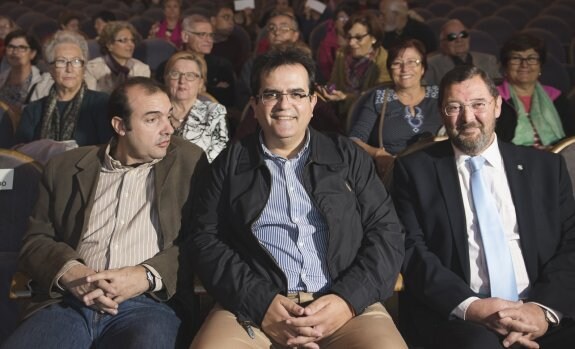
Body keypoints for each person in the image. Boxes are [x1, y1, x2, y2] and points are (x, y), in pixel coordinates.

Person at [187, 46, 407, 349]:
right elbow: (204, 239)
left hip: (346, 306)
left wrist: (347, 300)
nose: (283, 104)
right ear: (254, 104)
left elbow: (387, 233)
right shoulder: (229, 164)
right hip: (252, 309)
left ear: (313, 102)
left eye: (296, 94)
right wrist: (260, 302)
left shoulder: (348, 157)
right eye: (271, 94)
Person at [1, 77, 208, 349]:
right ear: (120, 126)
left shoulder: (188, 161)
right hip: (70, 302)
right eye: (152, 119)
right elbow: (36, 240)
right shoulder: (65, 167)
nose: (168, 129)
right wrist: (71, 272)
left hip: (150, 305)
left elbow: (200, 239)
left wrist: (144, 276)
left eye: (169, 116)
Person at [392, 65, 575, 349]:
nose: (468, 118)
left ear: (497, 106)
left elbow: (571, 244)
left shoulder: (546, 168)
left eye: (479, 105)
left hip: (543, 307)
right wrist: (472, 307)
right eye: (454, 107)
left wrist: (542, 309)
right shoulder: (414, 171)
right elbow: (412, 251)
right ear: (442, 112)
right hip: (462, 316)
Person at [349, 39, 442, 178]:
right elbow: (354, 139)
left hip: (437, 170)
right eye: (397, 63)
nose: (405, 69)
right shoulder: (379, 98)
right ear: (389, 70)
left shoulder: (440, 96)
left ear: (423, 68)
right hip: (395, 174)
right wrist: (377, 154)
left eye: (412, 62)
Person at [15, 31, 112, 148]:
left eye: (76, 61)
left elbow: (109, 151)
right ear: (50, 69)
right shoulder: (33, 111)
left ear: (84, 68)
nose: (69, 69)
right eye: (61, 61)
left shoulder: (102, 103)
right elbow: (19, 155)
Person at [496, 32, 575, 148]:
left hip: (557, 158)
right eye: (516, 58)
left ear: (540, 66)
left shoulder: (557, 98)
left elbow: (571, 139)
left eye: (532, 58)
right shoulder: (493, 100)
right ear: (505, 67)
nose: (524, 65)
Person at [318, 11, 391, 119]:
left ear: (373, 38)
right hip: (340, 112)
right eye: (349, 37)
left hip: (368, 116)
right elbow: (333, 82)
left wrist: (346, 98)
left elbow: (376, 98)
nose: (351, 43)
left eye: (358, 38)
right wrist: (328, 90)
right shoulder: (342, 54)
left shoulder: (383, 60)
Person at [164, 51, 228, 162]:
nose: (182, 81)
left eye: (190, 75)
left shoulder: (214, 112)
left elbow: (218, 157)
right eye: (175, 74)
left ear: (201, 83)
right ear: (167, 79)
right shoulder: (155, 112)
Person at [236, 10, 301, 111]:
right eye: (272, 28)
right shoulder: (253, 63)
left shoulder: (304, 63)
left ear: (295, 35)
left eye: (284, 28)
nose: (277, 32)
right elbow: (243, 96)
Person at [425, 19, 500, 85]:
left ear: (468, 38)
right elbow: (427, 92)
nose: (459, 40)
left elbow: (499, 88)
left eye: (463, 35)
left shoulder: (488, 60)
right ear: (443, 43)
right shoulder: (432, 64)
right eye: (452, 37)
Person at [85, 21, 151, 94]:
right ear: (109, 45)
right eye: (124, 40)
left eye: (132, 40)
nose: (131, 45)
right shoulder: (92, 68)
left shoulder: (141, 69)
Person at [0, 30, 43, 115]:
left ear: (32, 53)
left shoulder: (44, 82)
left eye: (22, 48)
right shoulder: (2, 78)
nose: (15, 52)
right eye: (11, 47)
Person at [315, 2, 356, 81]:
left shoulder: (359, 42)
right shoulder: (326, 45)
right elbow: (326, 73)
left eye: (348, 18)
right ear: (335, 23)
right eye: (341, 18)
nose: (345, 22)